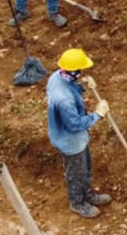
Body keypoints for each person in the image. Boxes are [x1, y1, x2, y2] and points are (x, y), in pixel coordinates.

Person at [46, 48, 112, 218]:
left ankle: (87, 195)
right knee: (76, 173)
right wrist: (98, 114)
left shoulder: (57, 76)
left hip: (78, 138)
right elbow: (74, 124)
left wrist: (82, 85)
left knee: (86, 167)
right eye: (80, 70)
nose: (82, 72)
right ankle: (77, 203)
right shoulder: (64, 99)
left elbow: (71, 86)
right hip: (70, 141)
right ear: (73, 71)